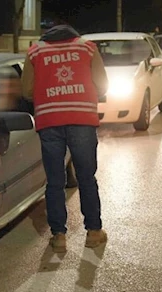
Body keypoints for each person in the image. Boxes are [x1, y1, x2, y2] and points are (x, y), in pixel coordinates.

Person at [21, 15, 109, 253]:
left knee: (55, 181)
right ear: (74, 34)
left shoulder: (35, 52)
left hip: (49, 121)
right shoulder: (87, 49)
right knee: (86, 178)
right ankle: (93, 232)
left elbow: (27, 91)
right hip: (82, 120)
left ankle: (59, 235)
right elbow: (102, 86)